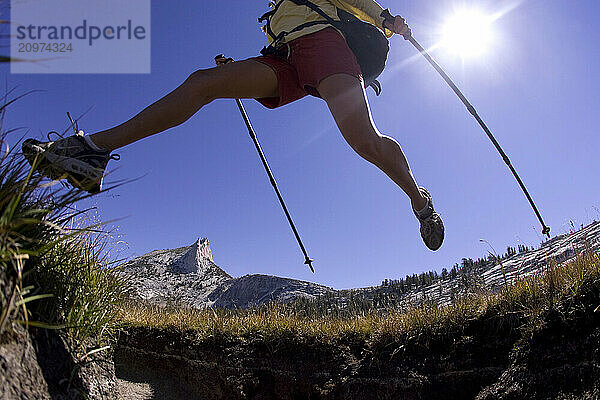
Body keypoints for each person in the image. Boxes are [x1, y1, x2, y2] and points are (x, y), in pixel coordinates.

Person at [22, 0, 444, 251]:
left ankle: (418, 199)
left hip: (327, 46)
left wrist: (388, 20)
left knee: (363, 142)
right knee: (203, 83)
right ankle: (92, 151)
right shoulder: (275, 11)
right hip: (286, 58)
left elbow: (359, 3)